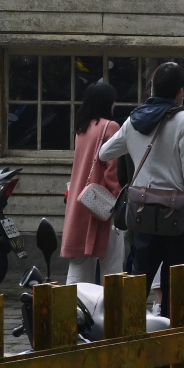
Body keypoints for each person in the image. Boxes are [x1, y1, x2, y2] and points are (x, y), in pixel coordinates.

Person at [99, 61, 184, 315]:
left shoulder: (133, 120)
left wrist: (134, 148)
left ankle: (126, 330)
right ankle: (170, 330)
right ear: (180, 91)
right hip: (176, 214)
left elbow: (104, 152)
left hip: (141, 211)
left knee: (138, 275)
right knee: (176, 279)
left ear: (153, 87)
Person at [62, 79, 123, 283]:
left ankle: (74, 309)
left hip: (80, 202)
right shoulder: (110, 127)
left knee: (78, 264)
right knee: (112, 265)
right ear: (106, 102)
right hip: (102, 203)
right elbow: (112, 170)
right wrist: (119, 199)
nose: (115, 104)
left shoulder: (81, 129)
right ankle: (111, 311)